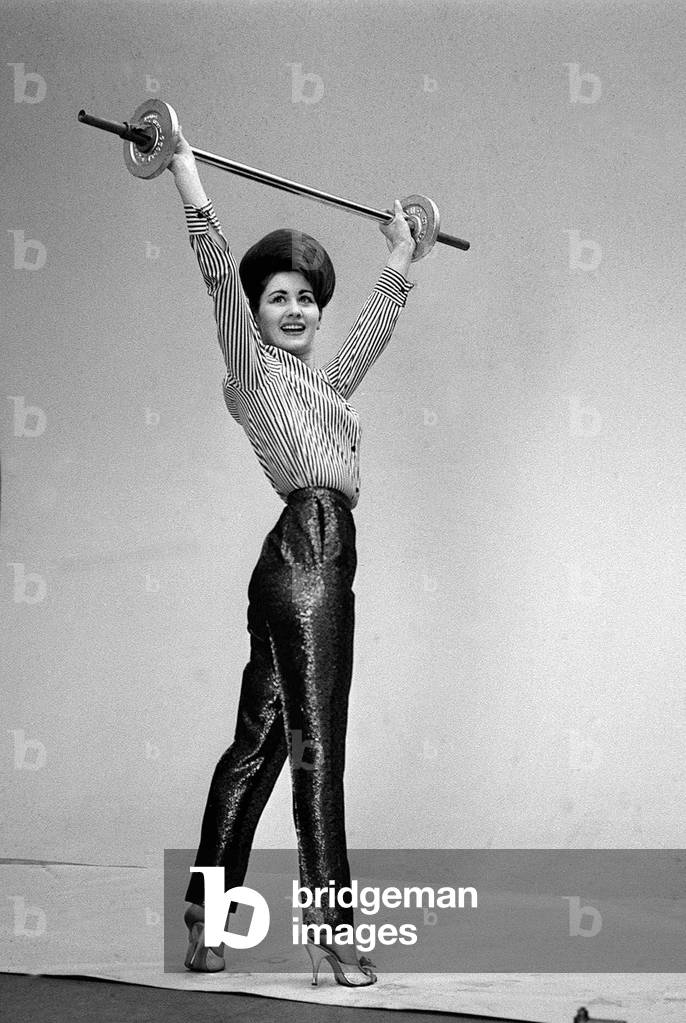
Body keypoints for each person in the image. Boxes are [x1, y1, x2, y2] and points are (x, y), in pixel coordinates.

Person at [167, 126, 416, 986]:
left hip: (302, 558)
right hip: (309, 550)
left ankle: (203, 920)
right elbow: (216, 279)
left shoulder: (320, 384)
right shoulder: (255, 371)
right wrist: (188, 175)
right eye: (278, 297)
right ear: (258, 310)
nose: (296, 309)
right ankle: (333, 923)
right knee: (317, 744)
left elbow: (365, 343)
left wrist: (400, 259)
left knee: (262, 742)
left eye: (306, 296)